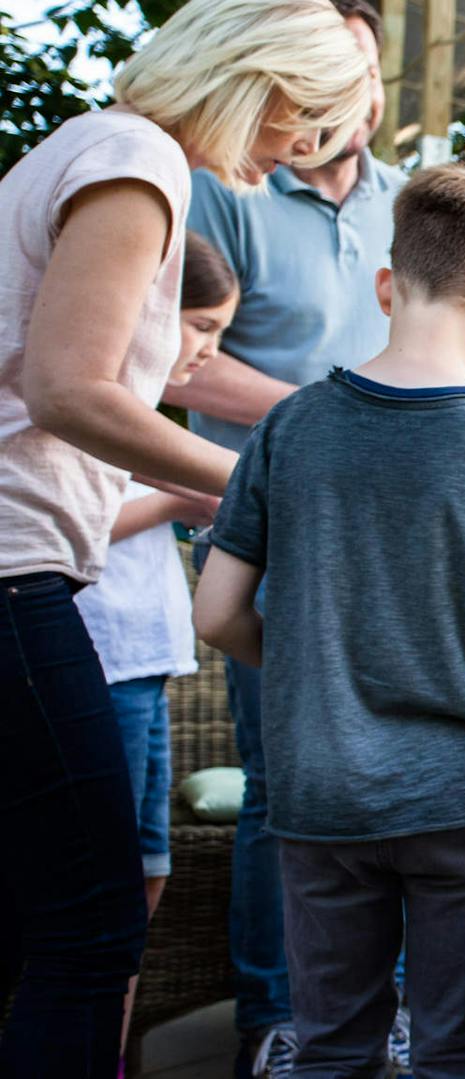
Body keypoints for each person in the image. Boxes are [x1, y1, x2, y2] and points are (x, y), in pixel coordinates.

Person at [0, 0, 370, 1070]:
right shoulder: (137, 162)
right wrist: (270, 481)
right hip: (14, 568)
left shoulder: (95, 147)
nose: (300, 150)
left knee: (30, 912)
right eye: (305, 122)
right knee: (95, 922)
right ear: (262, 85)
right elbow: (71, 389)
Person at [193, 162, 465, 1076]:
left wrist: (303, 669)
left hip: (322, 793)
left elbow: (216, 614)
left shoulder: (289, 428)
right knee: (460, 1046)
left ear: (386, 286)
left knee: (332, 1043)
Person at [156, 1, 405, 1068]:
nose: (346, 99)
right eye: (327, 73)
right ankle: (275, 1021)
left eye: (363, 73)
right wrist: (334, 408)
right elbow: (182, 359)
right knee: (286, 780)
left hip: (386, 539)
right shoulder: (228, 185)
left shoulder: (406, 203)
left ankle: (385, 1011)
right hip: (263, 529)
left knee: (390, 771)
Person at [74, 232, 237, 1066]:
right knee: (104, 882)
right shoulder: (89, 401)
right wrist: (183, 495)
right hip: (103, 659)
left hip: (148, 661)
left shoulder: (145, 414)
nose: (207, 351)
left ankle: (115, 1050)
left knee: (149, 869)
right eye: (202, 326)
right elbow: (82, 522)